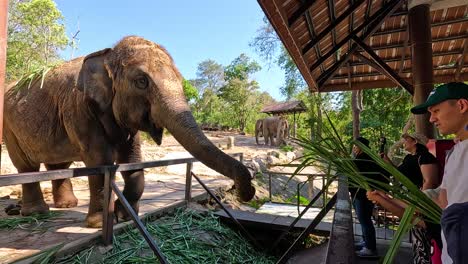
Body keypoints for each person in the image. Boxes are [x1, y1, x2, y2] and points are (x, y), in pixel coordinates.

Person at [410, 82, 468, 264]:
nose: (431, 119)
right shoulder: (455, 150)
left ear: (462, 106)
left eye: (436, 111)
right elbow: (444, 198)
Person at [350, 137, 384, 257]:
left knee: (365, 221)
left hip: (362, 195)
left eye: (356, 146)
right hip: (360, 194)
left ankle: (370, 248)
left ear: (361, 147)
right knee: (363, 219)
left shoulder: (364, 159)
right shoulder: (363, 158)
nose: (354, 149)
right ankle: (366, 241)